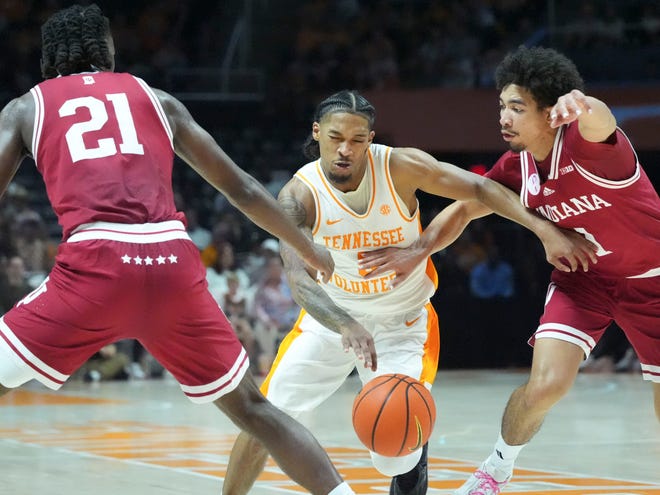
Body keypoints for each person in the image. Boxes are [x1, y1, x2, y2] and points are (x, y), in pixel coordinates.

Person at [0, 5, 372, 495]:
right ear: (104, 49)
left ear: (52, 57)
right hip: (171, 263)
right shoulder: (158, 100)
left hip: (95, 268)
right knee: (255, 411)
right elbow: (239, 187)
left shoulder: (26, 108)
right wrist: (303, 243)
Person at [222, 90, 597, 495]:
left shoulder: (399, 167)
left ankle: (412, 445)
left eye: (357, 139)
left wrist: (544, 231)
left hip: (402, 325)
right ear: (317, 133)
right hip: (330, 322)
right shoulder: (300, 196)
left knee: (394, 446)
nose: (345, 150)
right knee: (264, 418)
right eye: (335, 138)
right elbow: (298, 279)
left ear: (371, 138)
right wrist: (345, 323)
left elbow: (482, 190)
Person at [359, 46, 660, 494]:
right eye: (502, 105)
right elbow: (463, 209)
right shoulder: (514, 167)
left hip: (652, 281)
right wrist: (418, 249)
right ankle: (495, 470)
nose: (503, 116)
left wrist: (584, 104)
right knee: (545, 386)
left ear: (550, 113)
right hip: (585, 281)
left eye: (517, 108)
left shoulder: (590, 146)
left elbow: (602, 119)